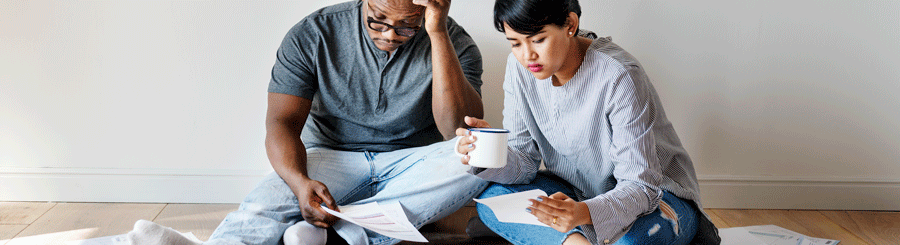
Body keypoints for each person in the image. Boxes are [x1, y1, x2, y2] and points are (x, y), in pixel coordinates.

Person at [126, 0, 488, 244]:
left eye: (407, 25)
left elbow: (456, 128)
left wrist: (436, 33)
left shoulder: (454, 41)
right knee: (264, 203)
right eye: (377, 18)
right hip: (330, 156)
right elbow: (281, 122)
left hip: (412, 162)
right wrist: (300, 182)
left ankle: (329, 234)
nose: (390, 34)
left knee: (480, 160)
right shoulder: (315, 32)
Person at [454, 0, 722, 244]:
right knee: (492, 199)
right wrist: (488, 153)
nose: (527, 56)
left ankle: (561, 235)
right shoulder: (519, 69)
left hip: (657, 198)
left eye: (538, 40)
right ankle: (576, 241)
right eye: (515, 43)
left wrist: (583, 213)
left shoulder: (620, 76)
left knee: (632, 241)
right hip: (578, 192)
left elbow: (642, 187)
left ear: (570, 25)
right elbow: (524, 163)